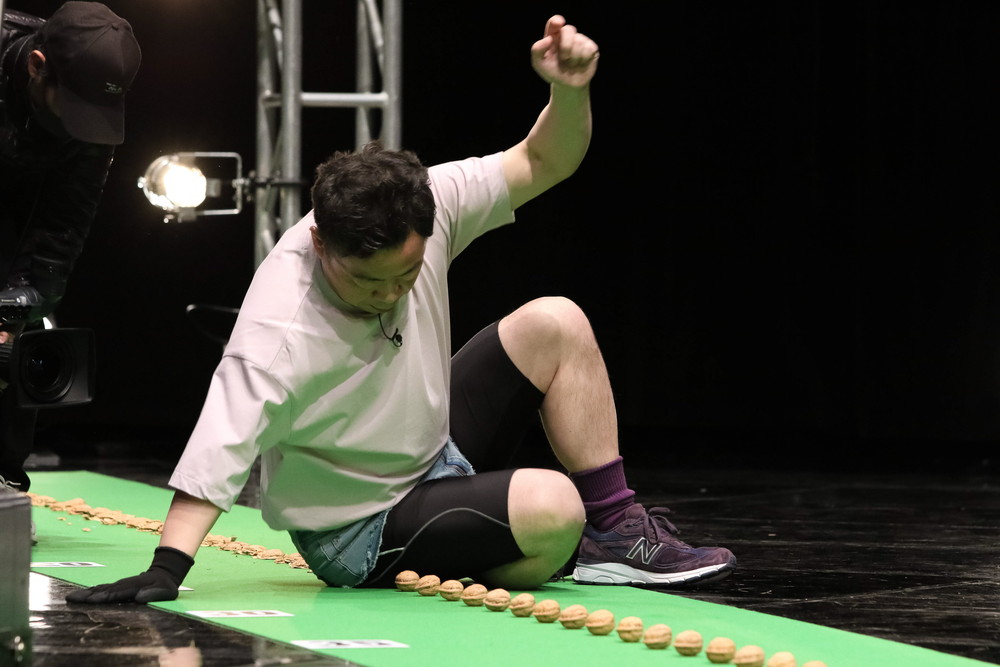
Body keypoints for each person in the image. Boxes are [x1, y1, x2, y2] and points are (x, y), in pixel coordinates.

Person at [66, 14, 736, 605]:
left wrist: (569, 90)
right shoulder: (279, 320)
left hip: (432, 449)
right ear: (321, 243)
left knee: (555, 321)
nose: (390, 294)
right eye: (368, 281)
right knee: (555, 508)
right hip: (357, 527)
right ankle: (556, 545)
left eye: (406, 275)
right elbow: (219, 446)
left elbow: (544, 159)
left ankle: (616, 531)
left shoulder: (434, 202)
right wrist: (167, 567)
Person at [0, 2, 141, 498]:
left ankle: (5, 479)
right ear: (37, 66)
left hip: (17, 216)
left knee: (14, 335)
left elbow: (61, 230)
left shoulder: (91, 114)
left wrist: (13, 311)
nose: (84, 125)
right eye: (74, 109)